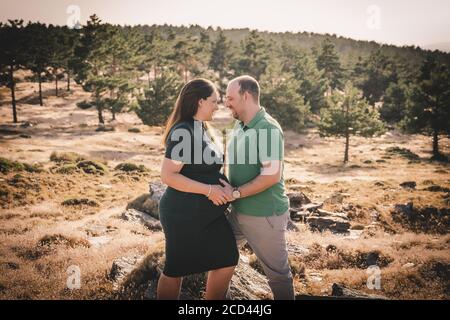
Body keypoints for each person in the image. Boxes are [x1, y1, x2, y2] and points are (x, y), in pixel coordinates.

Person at [157, 78, 239, 300]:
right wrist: (210, 190)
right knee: (175, 270)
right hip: (182, 214)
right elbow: (168, 175)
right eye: (213, 101)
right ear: (200, 101)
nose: (217, 106)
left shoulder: (202, 128)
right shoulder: (184, 130)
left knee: (227, 258)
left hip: (207, 215)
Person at [220, 75, 295, 300]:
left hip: (264, 216)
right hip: (237, 212)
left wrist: (234, 193)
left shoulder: (267, 128)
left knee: (278, 276)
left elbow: (271, 176)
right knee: (218, 259)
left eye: (230, 98)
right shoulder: (239, 126)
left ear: (246, 96)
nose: (226, 103)